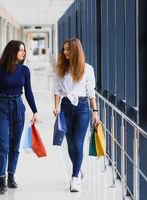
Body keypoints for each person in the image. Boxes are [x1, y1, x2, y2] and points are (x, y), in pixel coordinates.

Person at [0, 40, 38, 194]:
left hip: (18, 107)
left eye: (24, 50)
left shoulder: (24, 70)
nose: (23, 52)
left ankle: (11, 175)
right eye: (21, 50)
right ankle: (2, 178)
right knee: (3, 145)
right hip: (2, 108)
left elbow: (28, 92)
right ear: (12, 51)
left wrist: (35, 111)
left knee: (15, 145)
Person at [53, 38, 100, 192]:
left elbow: (91, 93)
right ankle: (77, 170)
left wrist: (95, 112)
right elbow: (57, 90)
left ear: (75, 51)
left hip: (82, 108)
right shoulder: (60, 68)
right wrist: (56, 107)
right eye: (63, 49)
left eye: (68, 49)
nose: (65, 52)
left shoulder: (88, 69)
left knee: (79, 143)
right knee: (71, 144)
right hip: (66, 107)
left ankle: (75, 178)